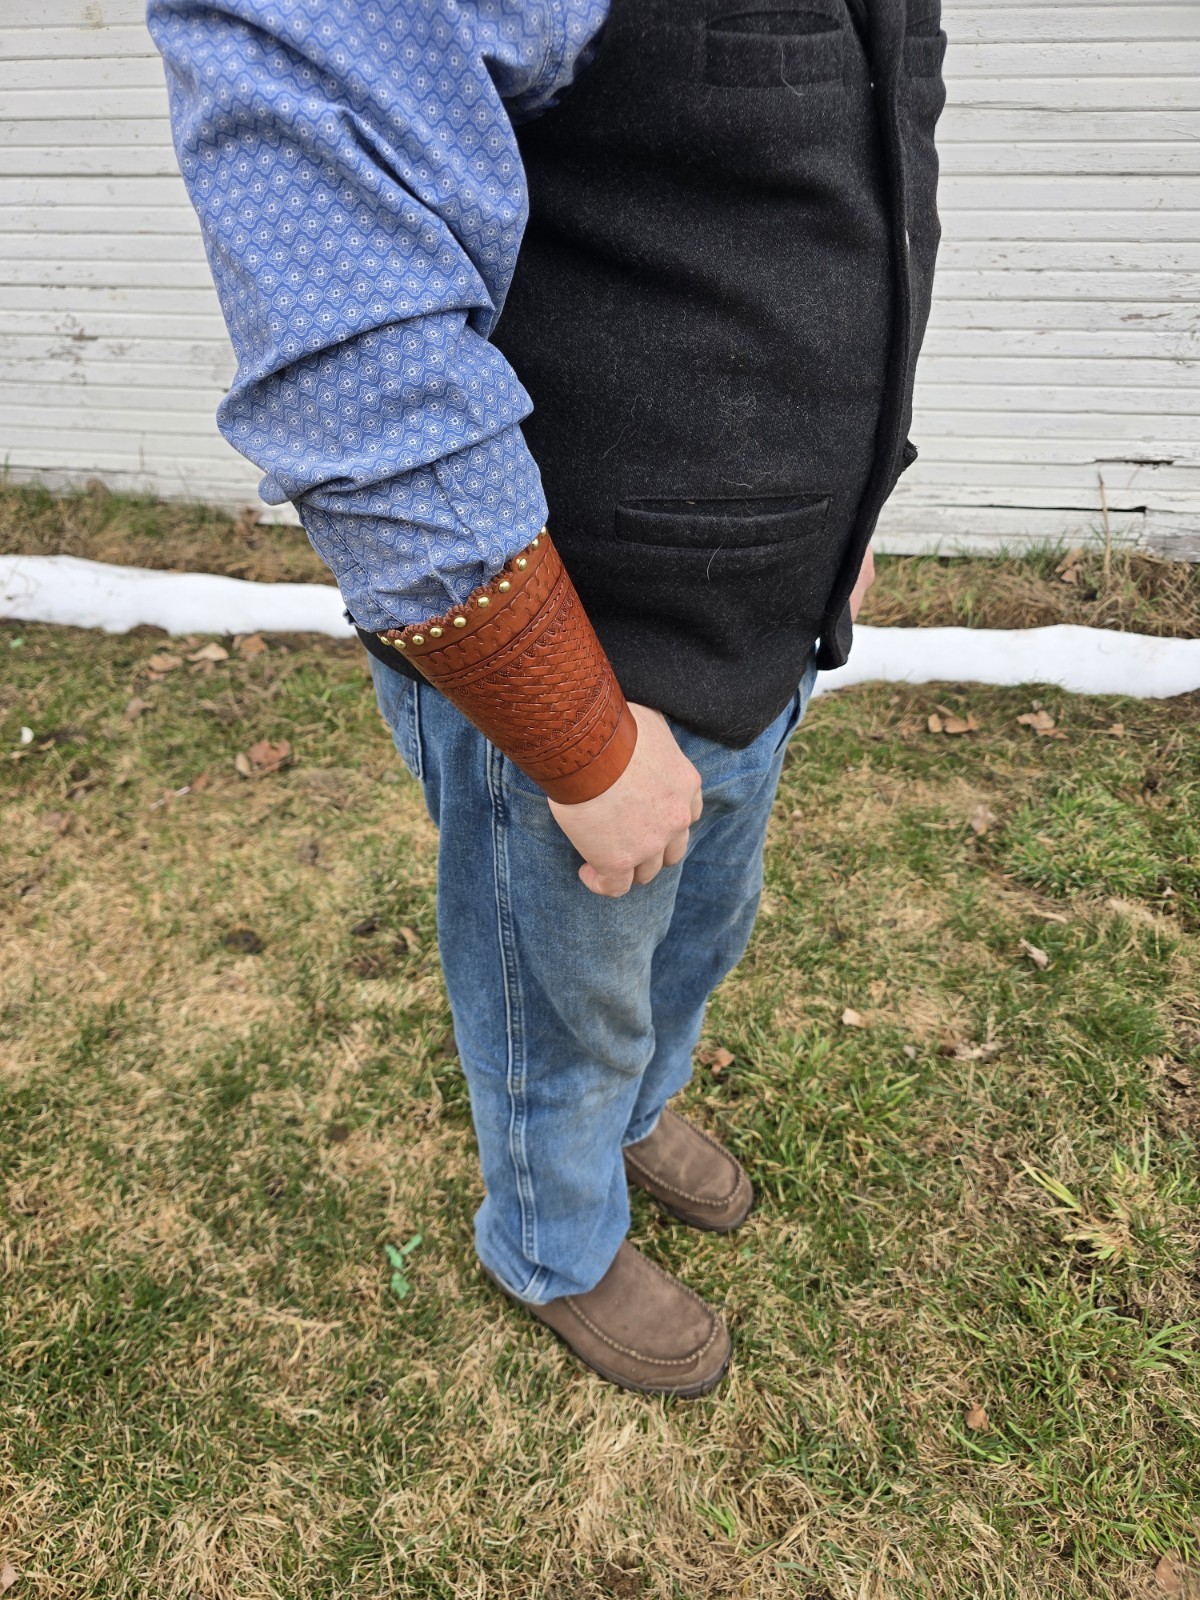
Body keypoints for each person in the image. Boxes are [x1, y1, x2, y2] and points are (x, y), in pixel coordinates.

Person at [150, 0, 945, 1396]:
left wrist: (846, 506)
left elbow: (829, 209)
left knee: (699, 932)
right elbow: (360, 353)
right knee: (562, 1003)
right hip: (584, 654)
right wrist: (574, 732)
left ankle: (634, 1119)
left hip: (758, 624)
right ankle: (554, 1241)